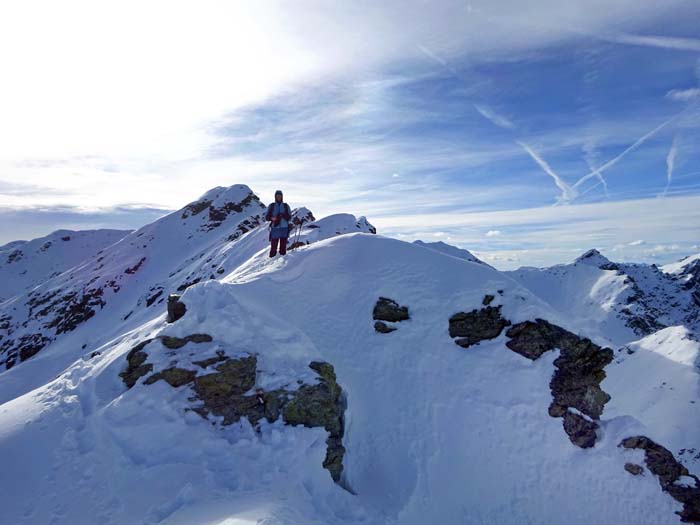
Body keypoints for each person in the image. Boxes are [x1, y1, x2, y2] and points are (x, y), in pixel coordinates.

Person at [265, 189, 292, 257]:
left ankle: (282, 261)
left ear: (282, 196)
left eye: (280, 196)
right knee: (273, 247)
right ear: (275, 197)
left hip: (284, 228)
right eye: (277, 196)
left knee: (283, 247)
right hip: (275, 228)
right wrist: (272, 218)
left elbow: (290, 217)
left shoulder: (286, 206)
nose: (278, 197)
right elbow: (266, 217)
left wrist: (283, 215)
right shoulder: (272, 206)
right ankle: (271, 260)